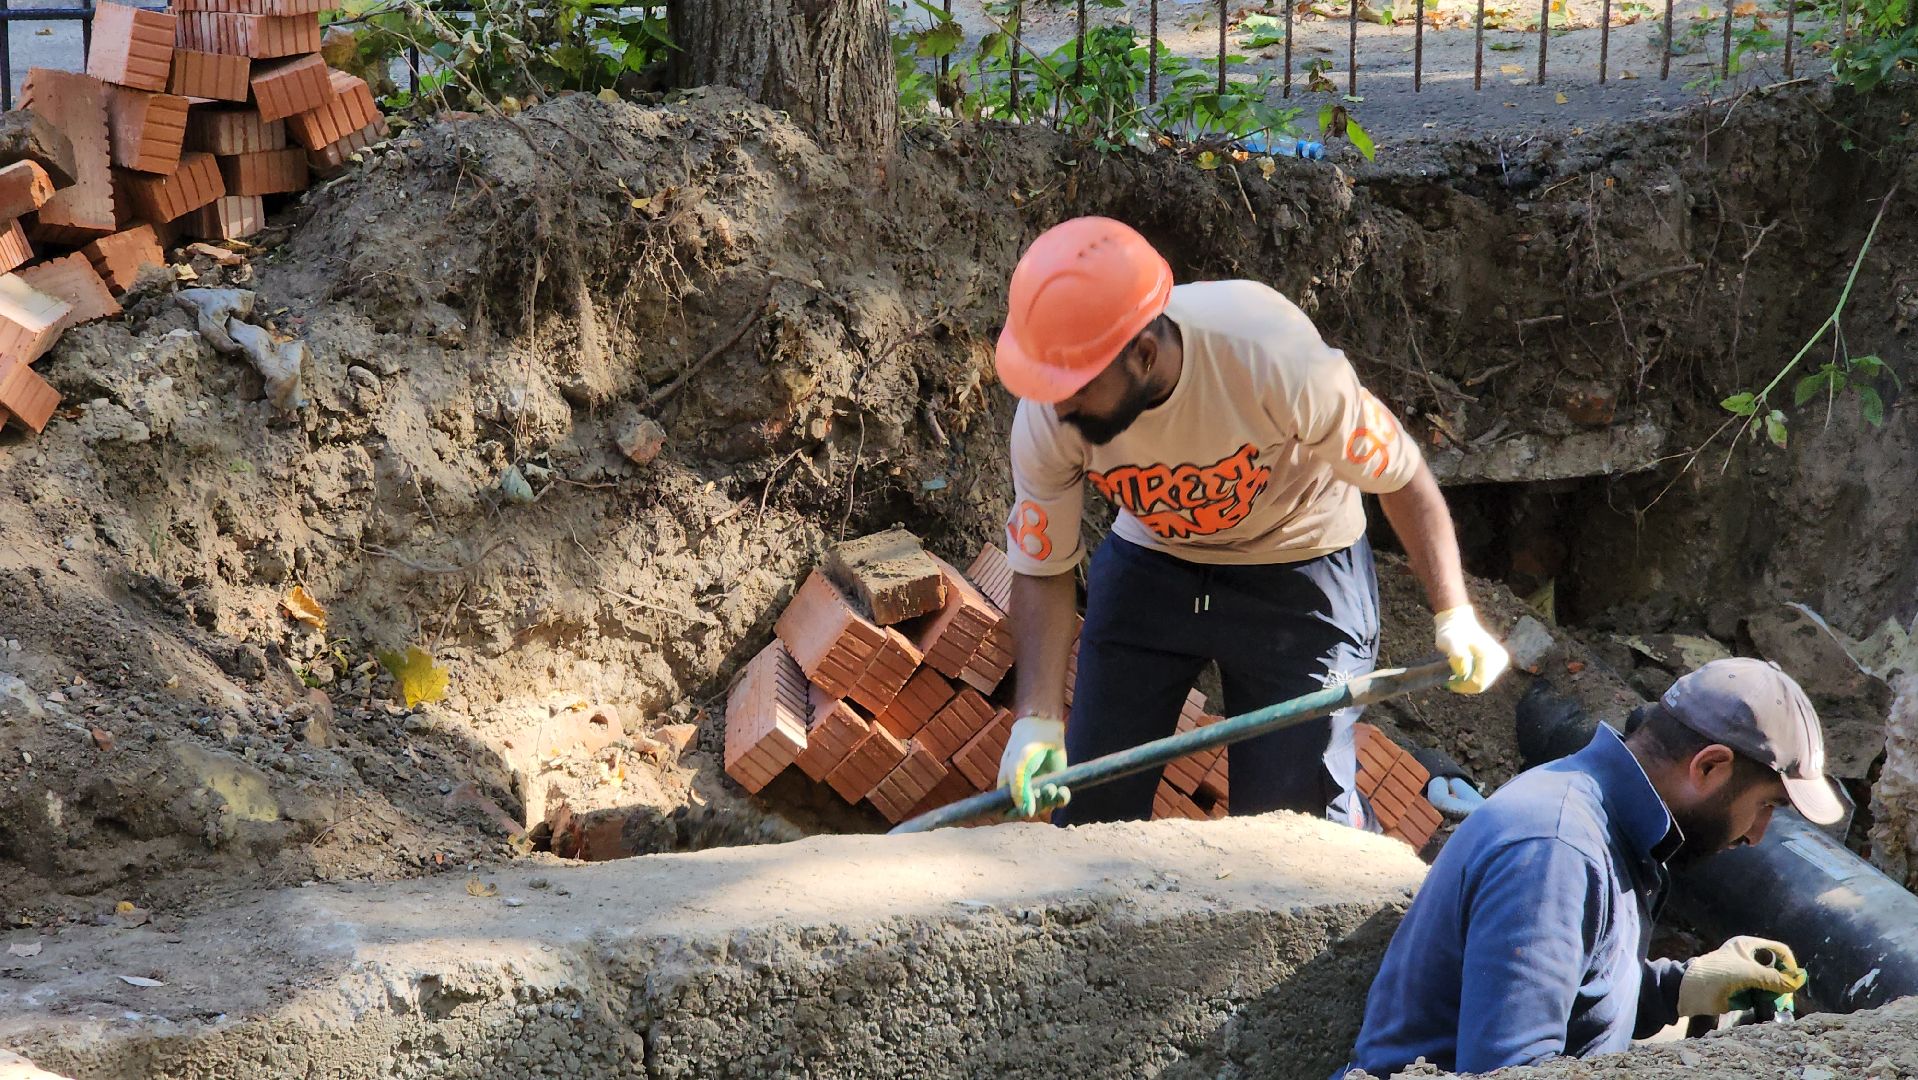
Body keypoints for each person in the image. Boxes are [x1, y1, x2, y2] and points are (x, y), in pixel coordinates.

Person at [989, 216, 1508, 824]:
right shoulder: (1051, 415)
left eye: (1075, 386)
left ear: (1144, 354)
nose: (1059, 403)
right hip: (1155, 565)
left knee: (1292, 825)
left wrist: (1454, 614)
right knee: (1091, 806)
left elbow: (1402, 476)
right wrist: (1037, 720)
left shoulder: (1272, 356)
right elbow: (1043, 565)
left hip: (1300, 570)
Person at [1348, 658, 1844, 1077]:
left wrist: (1681, 986)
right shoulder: (1556, 852)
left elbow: (1582, 998)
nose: (1757, 836)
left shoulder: (1605, 823)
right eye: (1767, 806)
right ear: (1709, 766)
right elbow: (1515, 1071)